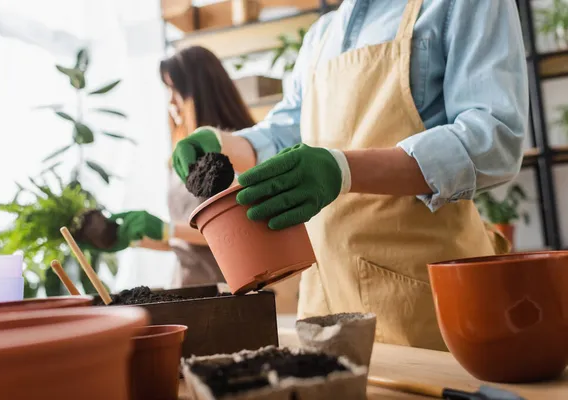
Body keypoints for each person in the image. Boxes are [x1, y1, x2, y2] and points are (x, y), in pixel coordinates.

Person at [171, 0, 528, 350]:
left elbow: (494, 140)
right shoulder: (321, 36)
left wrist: (343, 170)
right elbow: (284, 132)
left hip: (423, 301)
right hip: (325, 305)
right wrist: (222, 143)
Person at [85, 46, 256, 287]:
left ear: (202, 92)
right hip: (188, 286)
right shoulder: (181, 156)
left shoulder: (238, 151)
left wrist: (167, 229)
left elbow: (237, 231)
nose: (171, 102)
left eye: (176, 91)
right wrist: (131, 238)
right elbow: (183, 242)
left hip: (230, 288)